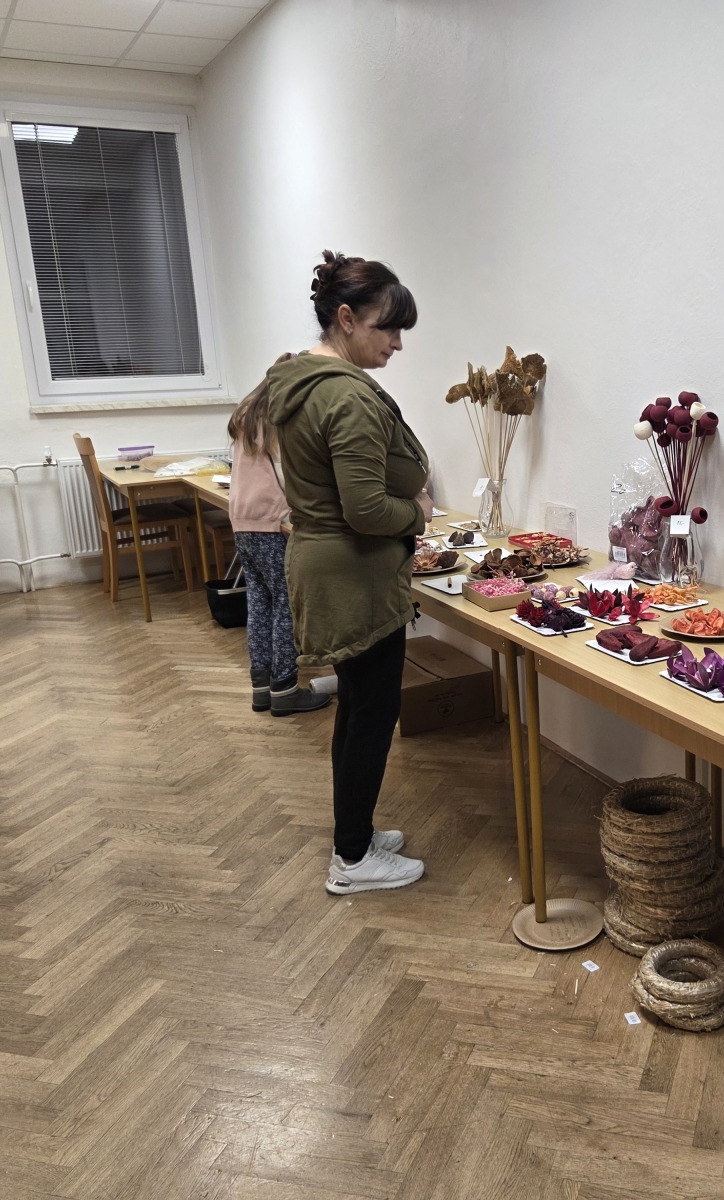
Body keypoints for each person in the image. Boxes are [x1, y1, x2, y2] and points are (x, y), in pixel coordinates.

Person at [268, 250, 431, 896]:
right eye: (386, 328)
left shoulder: (303, 380)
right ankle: (353, 860)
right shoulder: (345, 396)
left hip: (333, 566)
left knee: (358, 708)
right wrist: (417, 514)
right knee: (370, 714)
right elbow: (365, 509)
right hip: (353, 576)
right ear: (345, 318)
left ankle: (354, 834)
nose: (397, 343)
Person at [226, 360, 331, 717]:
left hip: (243, 521)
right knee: (287, 605)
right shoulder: (276, 418)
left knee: (259, 602)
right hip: (271, 522)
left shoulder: (247, 412)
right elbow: (288, 473)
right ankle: (285, 689)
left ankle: (261, 688)